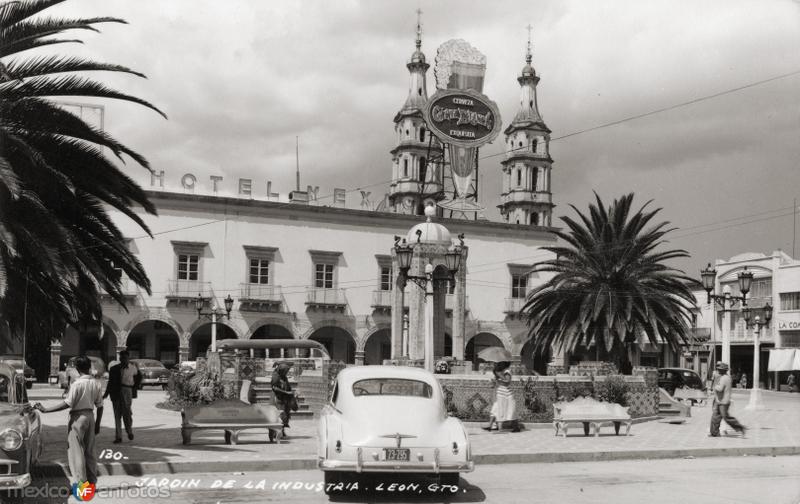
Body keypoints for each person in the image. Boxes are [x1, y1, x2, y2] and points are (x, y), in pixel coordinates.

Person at [34, 355, 103, 485]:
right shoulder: (96, 383)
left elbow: (67, 403)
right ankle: (92, 481)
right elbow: (100, 406)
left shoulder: (77, 384)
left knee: (76, 451)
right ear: (89, 367)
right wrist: (98, 423)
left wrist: (46, 410)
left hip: (77, 417)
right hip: (90, 416)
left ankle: (81, 483)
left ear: (77, 369)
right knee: (90, 451)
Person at [104, 350, 141, 443]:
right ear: (119, 358)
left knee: (127, 412)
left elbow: (138, 378)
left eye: (125, 357)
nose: (123, 359)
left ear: (128, 358)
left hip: (127, 390)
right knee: (117, 415)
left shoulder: (133, 368)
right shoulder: (114, 369)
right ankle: (118, 436)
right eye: (122, 357)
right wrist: (106, 394)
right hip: (116, 392)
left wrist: (134, 389)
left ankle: (129, 431)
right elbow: (110, 383)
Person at [709, 361, 746, 437]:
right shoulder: (727, 377)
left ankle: (740, 427)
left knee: (726, 417)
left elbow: (720, 389)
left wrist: (714, 386)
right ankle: (714, 432)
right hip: (720, 400)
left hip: (723, 401)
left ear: (723, 370)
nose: (718, 370)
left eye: (719, 369)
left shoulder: (724, 378)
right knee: (716, 417)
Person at [483, 361, 519, 432]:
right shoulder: (502, 372)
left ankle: (513, 428)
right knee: (497, 410)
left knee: (510, 411)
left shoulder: (507, 372)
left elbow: (507, 382)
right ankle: (494, 427)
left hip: (506, 394)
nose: (497, 365)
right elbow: (499, 383)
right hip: (501, 393)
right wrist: (495, 381)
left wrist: (499, 376)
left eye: (498, 364)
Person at [271, 362, 295, 436]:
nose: (287, 373)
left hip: (284, 398)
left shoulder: (284, 376)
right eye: (286, 371)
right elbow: (274, 388)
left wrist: (291, 392)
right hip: (278, 398)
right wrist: (286, 392)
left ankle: (282, 430)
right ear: (282, 370)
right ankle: (276, 432)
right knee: (280, 415)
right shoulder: (276, 377)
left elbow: (287, 385)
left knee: (285, 415)